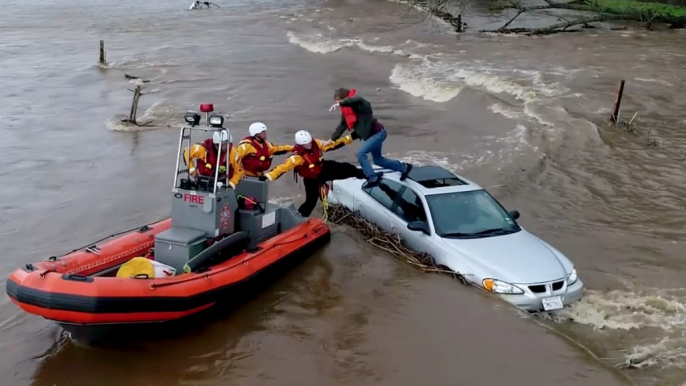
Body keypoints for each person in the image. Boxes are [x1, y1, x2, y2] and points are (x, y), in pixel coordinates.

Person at [259, 130, 365, 217]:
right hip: (311, 179)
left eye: (309, 142)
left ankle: (367, 176)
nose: (309, 144)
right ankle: (299, 218)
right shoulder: (296, 157)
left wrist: (351, 137)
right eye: (306, 144)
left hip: (323, 168)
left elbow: (333, 145)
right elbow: (282, 168)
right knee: (310, 202)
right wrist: (268, 176)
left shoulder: (316, 143)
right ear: (300, 144)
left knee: (348, 168)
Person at [326, 87, 413, 187]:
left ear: (346, 98)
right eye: (336, 101)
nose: (337, 103)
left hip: (378, 133)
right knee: (378, 160)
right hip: (368, 136)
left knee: (360, 154)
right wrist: (331, 139)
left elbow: (358, 99)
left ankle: (372, 178)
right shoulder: (346, 111)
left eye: (339, 100)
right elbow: (342, 126)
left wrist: (342, 103)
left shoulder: (361, 105)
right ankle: (404, 168)